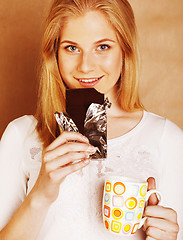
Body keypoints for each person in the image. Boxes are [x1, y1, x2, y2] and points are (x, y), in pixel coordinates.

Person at [0, 0, 182, 239]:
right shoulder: (20, 134)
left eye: (103, 47)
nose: (85, 66)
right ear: (54, 53)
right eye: (71, 48)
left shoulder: (166, 138)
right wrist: (41, 193)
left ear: (125, 51)